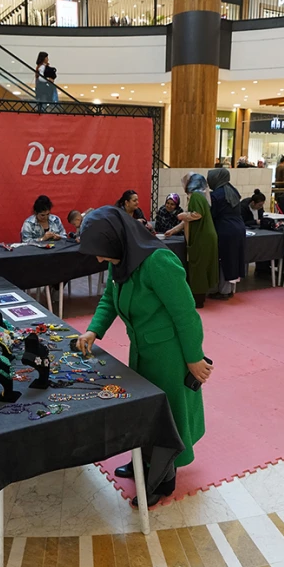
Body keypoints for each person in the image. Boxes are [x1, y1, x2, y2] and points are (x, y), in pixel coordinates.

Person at [75, 207, 210, 506]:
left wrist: (193, 358)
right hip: (142, 350)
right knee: (145, 412)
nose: (99, 259)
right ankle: (145, 463)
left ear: (116, 240)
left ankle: (165, 476)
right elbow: (110, 298)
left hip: (170, 355)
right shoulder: (120, 260)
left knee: (169, 415)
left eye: (101, 252)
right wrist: (93, 331)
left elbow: (186, 315)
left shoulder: (158, 262)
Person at [181, 174, 218, 308]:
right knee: (201, 267)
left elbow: (197, 214)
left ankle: (198, 299)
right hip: (205, 236)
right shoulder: (201, 196)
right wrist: (174, 230)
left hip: (202, 238)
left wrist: (183, 215)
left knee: (198, 267)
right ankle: (199, 296)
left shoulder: (196, 196)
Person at [207, 169, 246, 300]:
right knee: (233, 259)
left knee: (223, 259)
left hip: (225, 229)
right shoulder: (233, 190)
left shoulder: (216, 194)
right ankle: (229, 289)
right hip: (239, 227)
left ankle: (222, 291)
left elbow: (212, 214)